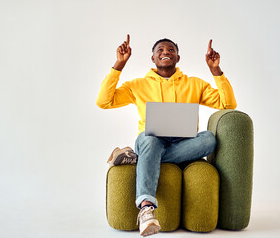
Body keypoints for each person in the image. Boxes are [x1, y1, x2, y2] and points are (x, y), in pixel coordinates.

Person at [96, 34, 237, 237]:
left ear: (178, 58)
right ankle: (146, 209)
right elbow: (103, 101)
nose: (166, 52)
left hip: (185, 141)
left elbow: (228, 104)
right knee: (149, 139)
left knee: (208, 139)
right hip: (150, 140)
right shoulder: (137, 85)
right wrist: (119, 65)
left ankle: (138, 159)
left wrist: (216, 71)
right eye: (160, 50)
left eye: (171, 50)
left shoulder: (195, 84)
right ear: (152, 58)